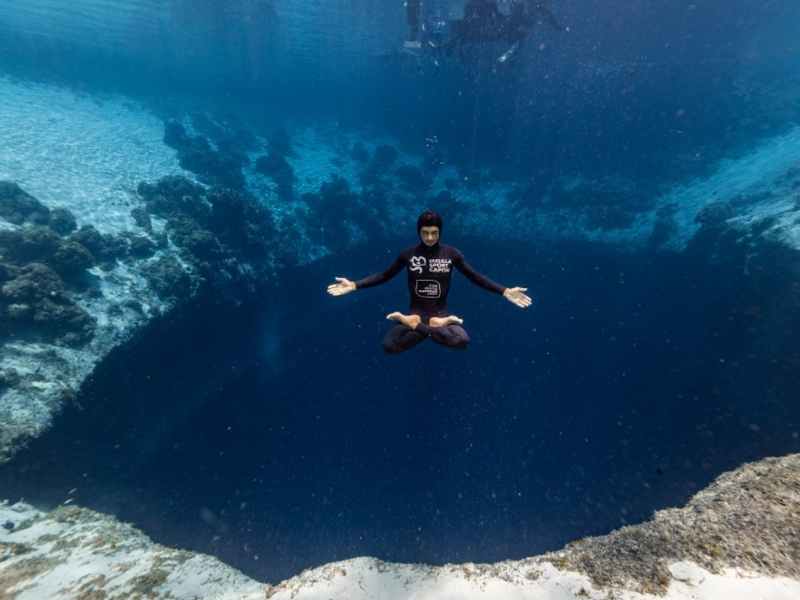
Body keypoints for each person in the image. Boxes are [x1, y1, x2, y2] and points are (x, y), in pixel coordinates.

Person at [327, 209, 531, 354]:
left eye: (434, 232)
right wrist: (354, 285)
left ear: (440, 231)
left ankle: (421, 326)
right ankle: (418, 324)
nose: (430, 237)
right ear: (418, 232)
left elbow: (474, 276)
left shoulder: (452, 254)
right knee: (389, 347)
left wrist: (505, 291)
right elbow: (384, 275)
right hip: (416, 315)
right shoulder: (407, 255)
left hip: (440, 318)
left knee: (462, 342)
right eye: (425, 233)